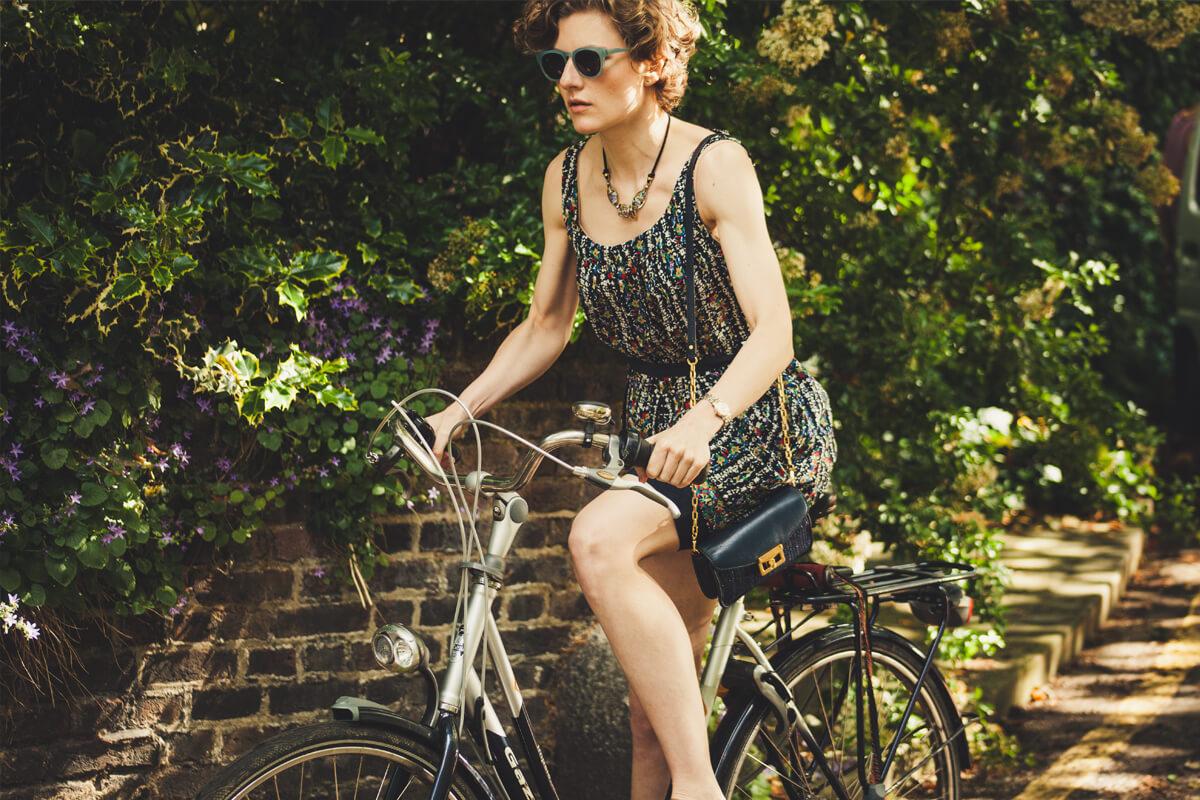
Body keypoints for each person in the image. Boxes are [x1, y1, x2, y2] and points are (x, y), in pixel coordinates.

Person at [425, 1, 837, 798]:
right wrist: (458, 411)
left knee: (600, 541)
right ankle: (688, 775)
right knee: (654, 712)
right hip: (657, 430)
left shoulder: (713, 164)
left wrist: (704, 419)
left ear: (651, 63)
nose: (568, 81)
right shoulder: (566, 180)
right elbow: (546, 325)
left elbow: (774, 332)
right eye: (556, 65)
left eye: (589, 62)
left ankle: (701, 789)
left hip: (750, 419)